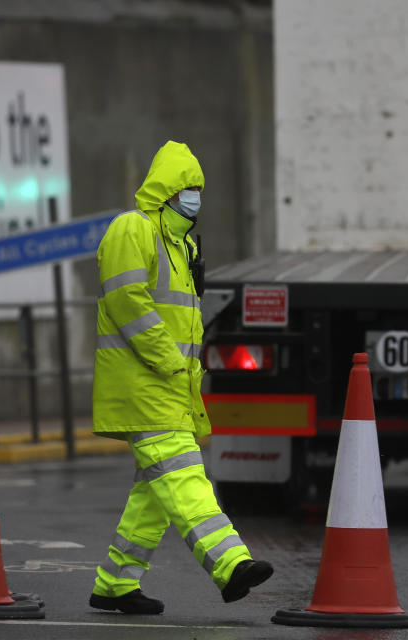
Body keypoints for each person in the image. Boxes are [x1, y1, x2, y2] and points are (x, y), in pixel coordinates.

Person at [88, 140, 273, 615]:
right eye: (186, 187)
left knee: (154, 492)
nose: (194, 196)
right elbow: (127, 300)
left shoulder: (183, 244)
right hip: (144, 382)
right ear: (165, 190)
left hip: (170, 384)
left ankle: (115, 584)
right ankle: (231, 564)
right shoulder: (133, 229)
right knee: (185, 475)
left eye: (198, 188)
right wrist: (169, 359)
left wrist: (182, 371)